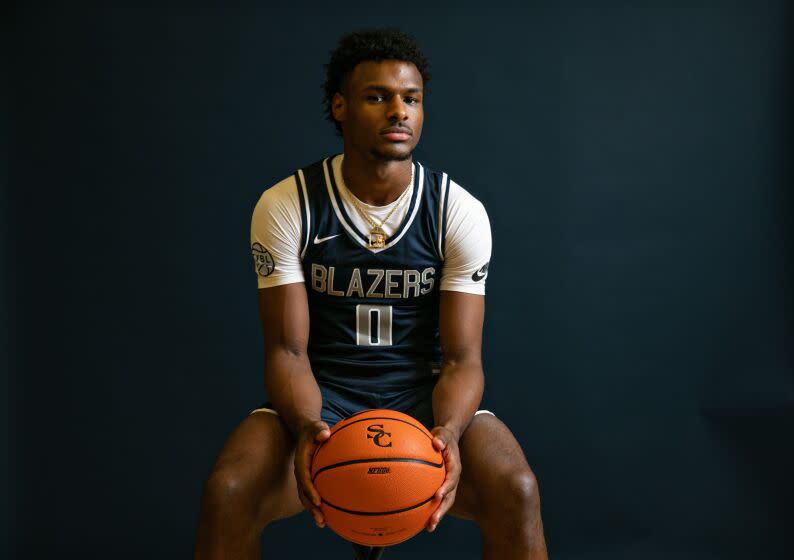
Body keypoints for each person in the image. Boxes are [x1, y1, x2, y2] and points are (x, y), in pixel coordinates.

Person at [194, 28, 548, 560]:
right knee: (229, 492)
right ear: (339, 106)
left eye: (411, 99)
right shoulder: (289, 204)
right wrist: (308, 426)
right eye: (377, 96)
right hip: (323, 395)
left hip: (424, 397)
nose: (398, 112)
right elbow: (287, 353)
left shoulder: (458, 211)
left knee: (516, 489)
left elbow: (462, 359)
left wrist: (449, 432)